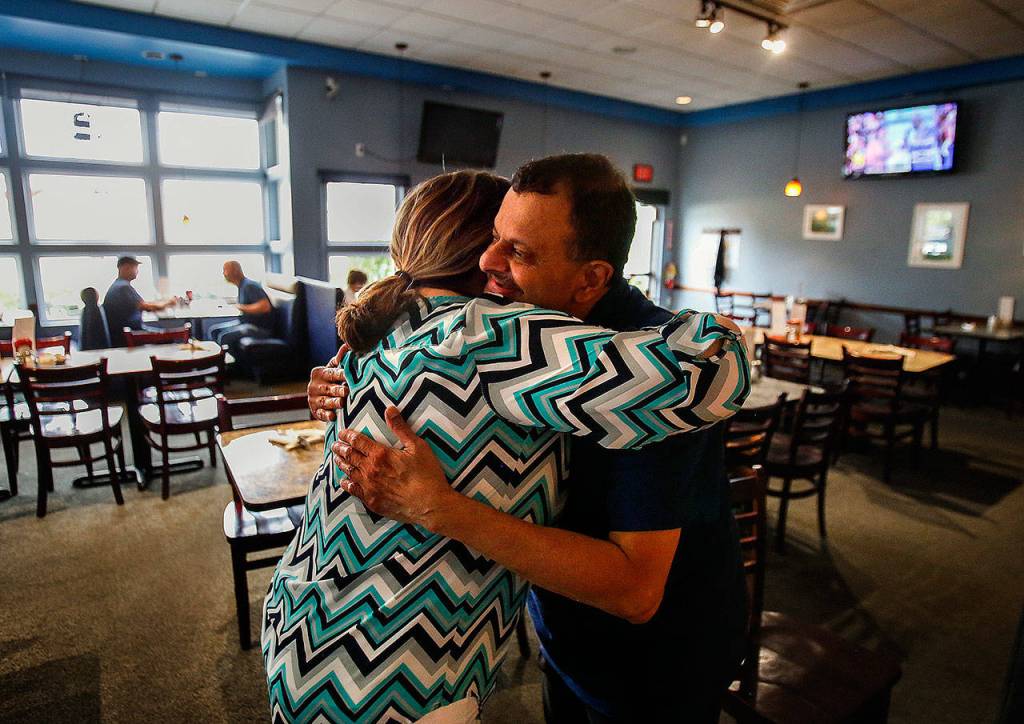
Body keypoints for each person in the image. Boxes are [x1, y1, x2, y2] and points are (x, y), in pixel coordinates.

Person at [263, 167, 749, 723]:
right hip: (406, 663)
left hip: (652, 662)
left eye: (516, 249)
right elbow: (716, 367)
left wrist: (443, 510)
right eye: (493, 238)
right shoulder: (489, 334)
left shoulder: (401, 329)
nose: (494, 261)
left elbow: (636, 592)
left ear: (590, 279)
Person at [102, 256, 176, 346]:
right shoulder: (123, 287)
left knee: (164, 335)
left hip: (127, 331)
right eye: (135, 268)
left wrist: (165, 302)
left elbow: (142, 303)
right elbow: (148, 307)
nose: (137, 271)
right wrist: (169, 302)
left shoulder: (119, 285)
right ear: (125, 267)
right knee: (167, 338)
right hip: (129, 333)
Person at [206, 260, 274, 355]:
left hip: (259, 328)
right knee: (214, 330)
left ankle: (228, 367)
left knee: (224, 337)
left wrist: (240, 307)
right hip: (246, 323)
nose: (223, 273)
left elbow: (265, 307)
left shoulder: (249, 286)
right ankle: (217, 360)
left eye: (225, 270)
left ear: (235, 271)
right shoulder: (241, 286)